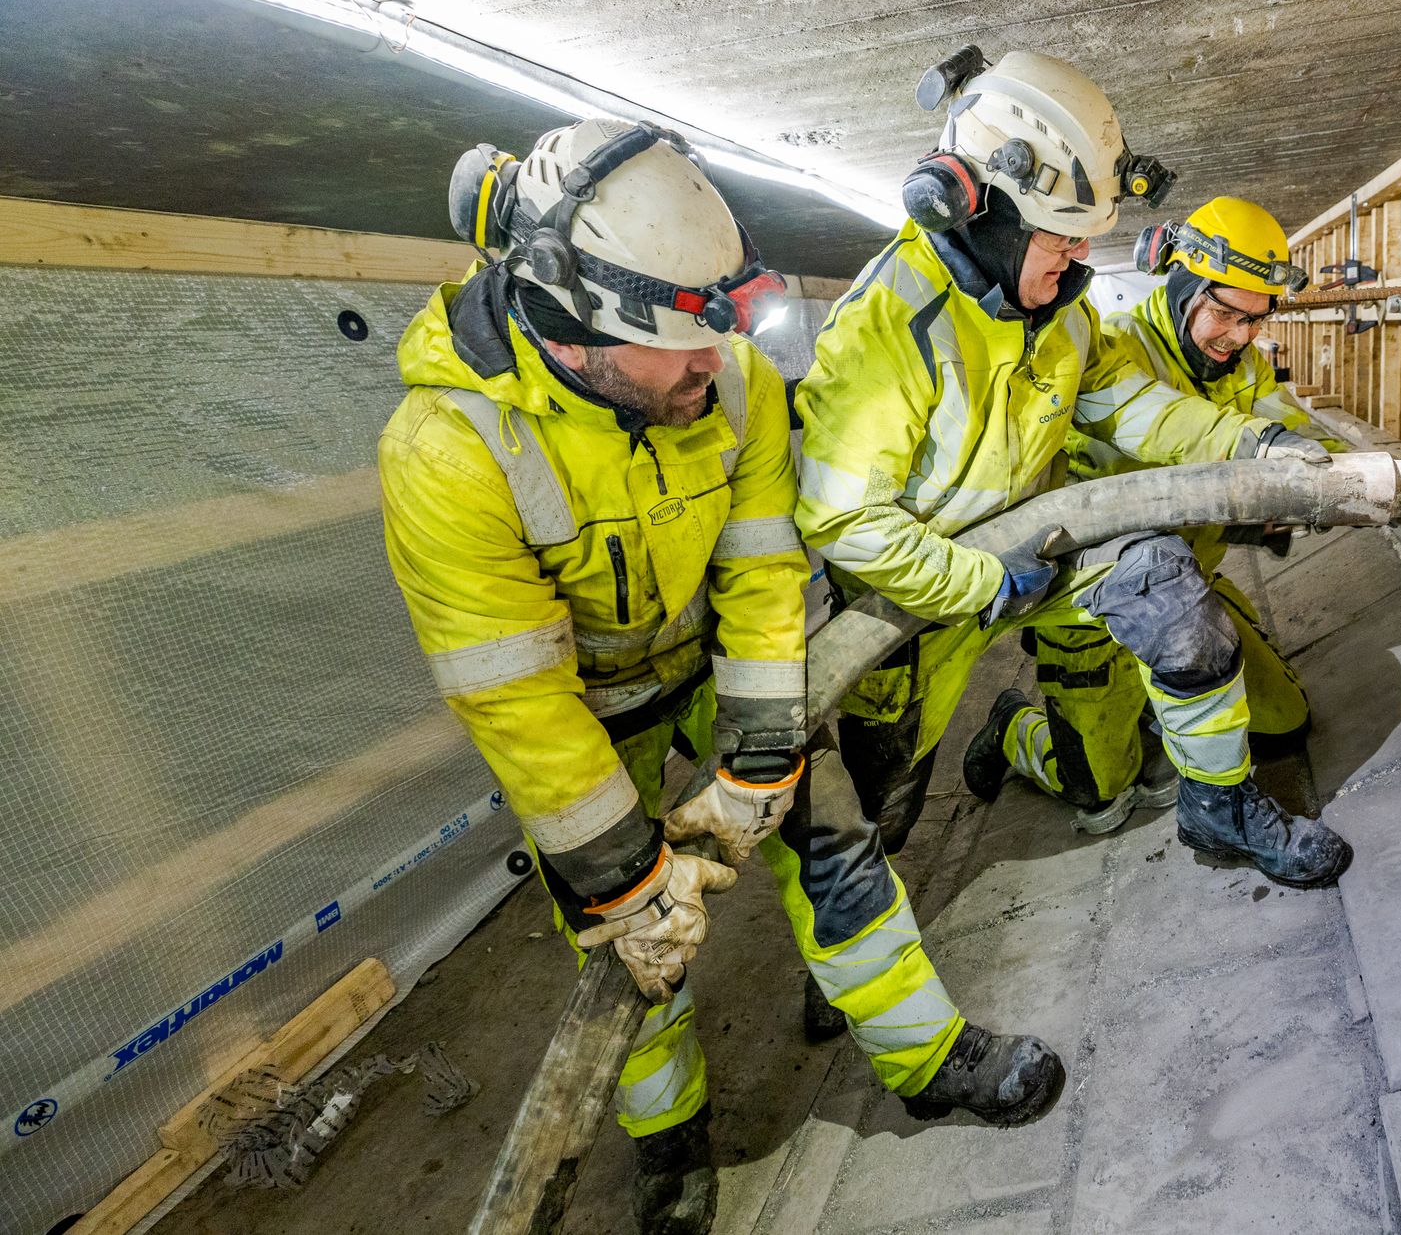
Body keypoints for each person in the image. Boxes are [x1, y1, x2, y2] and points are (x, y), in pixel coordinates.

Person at [377, 119, 1063, 1235]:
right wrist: (624, 877)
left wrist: (762, 752)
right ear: (571, 325)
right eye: (681, 344)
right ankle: (671, 1140)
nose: (718, 361)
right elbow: (517, 696)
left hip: (707, 657)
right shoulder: (447, 450)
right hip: (581, 714)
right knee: (633, 950)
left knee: (834, 837)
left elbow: (758, 567)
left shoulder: (730, 377)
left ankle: (925, 1053)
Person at [793, 47, 1352, 906]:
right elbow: (844, 525)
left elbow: (1140, 410)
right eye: (1061, 236)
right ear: (979, 212)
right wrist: (980, 582)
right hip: (913, 595)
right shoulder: (885, 326)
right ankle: (859, 929)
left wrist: (1255, 448)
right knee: (879, 807)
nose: (1081, 253)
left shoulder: (1063, 317)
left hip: (1038, 554)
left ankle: (1222, 810)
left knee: (1176, 601)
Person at [963, 197, 1349, 833]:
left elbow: (1298, 439)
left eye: (1255, 319)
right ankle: (1015, 727)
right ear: (1183, 286)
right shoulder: (1115, 353)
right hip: (1098, 608)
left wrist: (1345, 476)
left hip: (1186, 595)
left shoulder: (1243, 368)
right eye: (1225, 313)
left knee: (1285, 725)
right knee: (1102, 796)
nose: (1240, 336)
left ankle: (1159, 699)